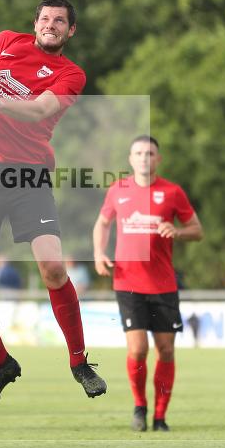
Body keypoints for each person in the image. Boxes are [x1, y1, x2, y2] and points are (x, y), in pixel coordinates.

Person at [0, 0, 107, 411]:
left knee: (53, 268)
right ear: (35, 23)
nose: (51, 25)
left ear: (70, 31)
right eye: (45, 19)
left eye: (60, 21)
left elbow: (40, 109)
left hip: (28, 175)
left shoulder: (70, 73)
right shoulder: (6, 41)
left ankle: (79, 362)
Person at [93, 135, 203, 432]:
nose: (144, 158)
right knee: (138, 349)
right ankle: (140, 406)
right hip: (128, 281)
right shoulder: (119, 189)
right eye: (139, 153)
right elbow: (103, 223)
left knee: (166, 350)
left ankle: (161, 416)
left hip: (164, 283)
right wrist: (99, 252)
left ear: (158, 159)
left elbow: (197, 230)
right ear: (130, 159)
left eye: (150, 153)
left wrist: (177, 232)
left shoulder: (172, 192)